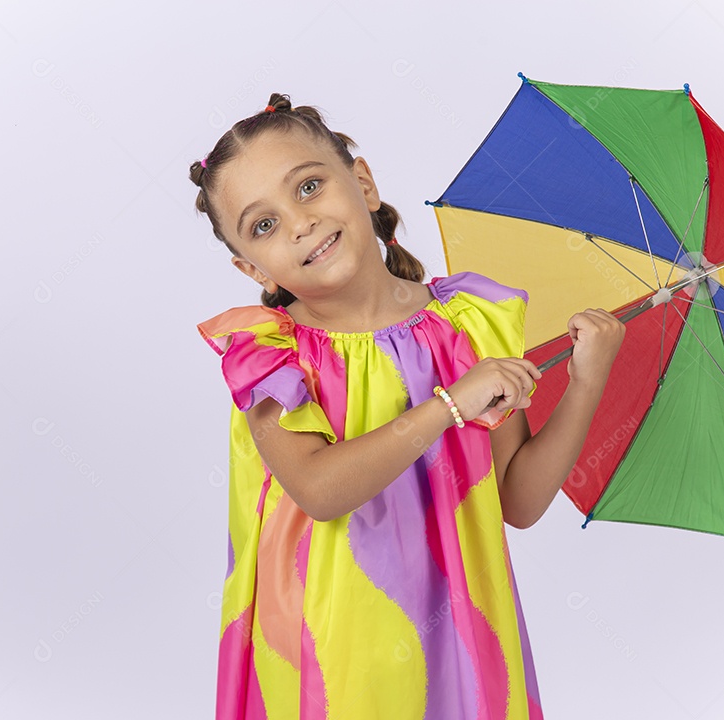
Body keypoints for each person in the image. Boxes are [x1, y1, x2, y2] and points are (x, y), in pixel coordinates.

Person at [189, 92, 624, 720]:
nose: (299, 223)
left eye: (309, 187)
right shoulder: (270, 357)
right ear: (252, 268)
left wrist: (586, 381)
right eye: (264, 225)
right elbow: (319, 488)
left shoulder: (470, 323)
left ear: (362, 183)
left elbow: (518, 500)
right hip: (333, 644)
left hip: (463, 629)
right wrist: (451, 404)